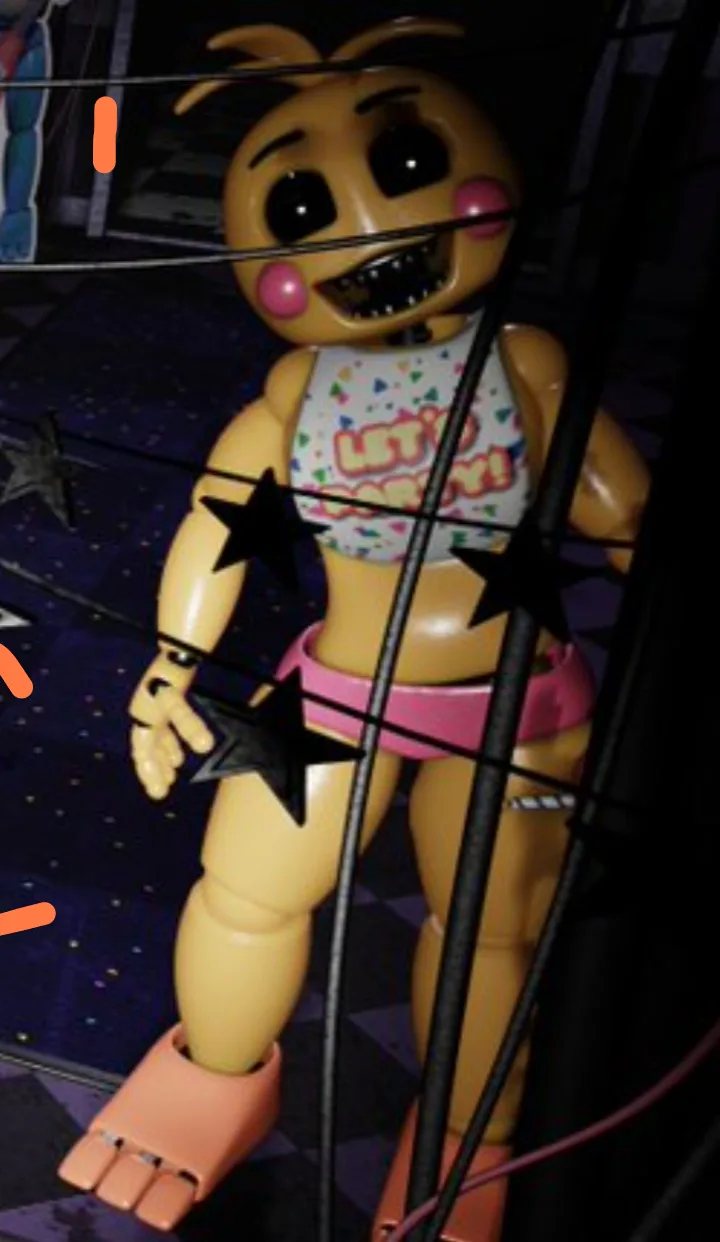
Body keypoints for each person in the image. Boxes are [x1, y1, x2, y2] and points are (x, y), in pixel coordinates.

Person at [58, 19, 650, 1239]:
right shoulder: (292, 397)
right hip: (333, 690)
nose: (370, 224)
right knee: (246, 892)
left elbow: (629, 514)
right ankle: (213, 1081)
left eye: (411, 165)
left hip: (520, 704)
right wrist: (170, 668)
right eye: (300, 206)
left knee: (489, 928)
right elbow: (216, 522)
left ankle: (467, 1135)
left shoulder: (530, 366)